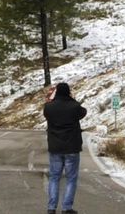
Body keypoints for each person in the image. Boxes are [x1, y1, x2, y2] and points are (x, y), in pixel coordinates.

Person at [43, 82, 86, 214]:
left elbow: (46, 114)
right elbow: (83, 112)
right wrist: (73, 98)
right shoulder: (74, 106)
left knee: (54, 177)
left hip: (55, 147)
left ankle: (51, 207)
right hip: (72, 147)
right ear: (68, 92)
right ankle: (66, 207)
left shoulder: (49, 108)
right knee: (71, 178)